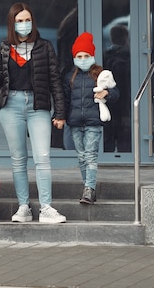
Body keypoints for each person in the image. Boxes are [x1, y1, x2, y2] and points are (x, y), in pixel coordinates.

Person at [0, 2, 67, 224]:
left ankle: (46, 208)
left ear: (33, 22)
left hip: (38, 106)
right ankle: (23, 207)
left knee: (42, 158)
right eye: (19, 21)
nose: (24, 25)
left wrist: (60, 112)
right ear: (12, 24)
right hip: (12, 105)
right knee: (18, 160)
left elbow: (54, 80)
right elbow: (2, 76)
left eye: (27, 20)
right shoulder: (5, 46)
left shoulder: (44, 47)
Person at [63, 32, 119, 204]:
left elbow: (116, 93)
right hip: (75, 122)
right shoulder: (69, 77)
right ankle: (87, 186)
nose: (82, 59)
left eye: (86, 55)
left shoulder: (101, 75)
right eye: (79, 56)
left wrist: (107, 93)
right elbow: (65, 100)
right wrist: (61, 117)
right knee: (81, 156)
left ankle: (89, 189)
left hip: (93, 122)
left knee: (90, 156)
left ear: (92, 56)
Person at [103, 24, 131, 152]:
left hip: (107, 99)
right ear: (125, 38)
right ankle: (126, 155)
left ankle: (106, 155)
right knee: (124, 132)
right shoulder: (129, 57)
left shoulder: (104, 56)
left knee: (108, 131)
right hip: (125, 100)